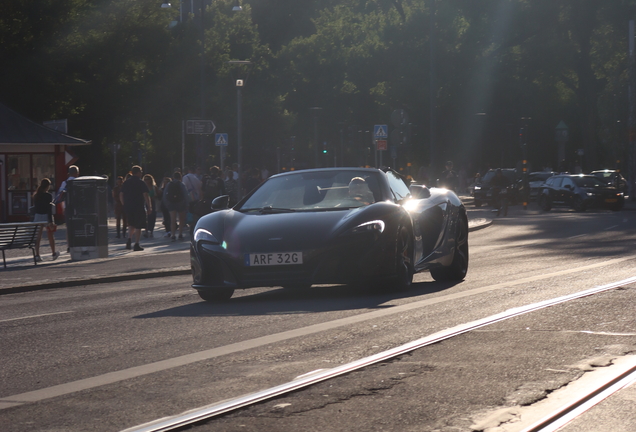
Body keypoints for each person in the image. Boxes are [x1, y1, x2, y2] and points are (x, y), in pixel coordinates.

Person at [120, 165, 152, 251]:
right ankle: (136, 244)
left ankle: (129, 239)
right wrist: (149, 206)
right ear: (138, 173)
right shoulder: (141, 182)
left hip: (129, 207)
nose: (141, 173)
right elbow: (146, 195)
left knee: (131, 224)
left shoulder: (126, 182)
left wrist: (124, 204)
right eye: (141, 172)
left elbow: (121, 194)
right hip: (139, 206)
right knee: (138, 225)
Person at [32, 178, 60, 262]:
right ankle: (53, 253)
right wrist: (51, 221)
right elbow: (49, 209)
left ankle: (37, 255)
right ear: (47, 186)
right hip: (46, 216)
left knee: (38, 237)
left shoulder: (36, 195)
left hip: (37, 216)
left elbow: (35, 208)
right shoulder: (48, 196)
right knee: (50, 236)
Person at [55, 165, 79, 253]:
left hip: (68, 207)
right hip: (78, 207)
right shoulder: (79, 182)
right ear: (76, 173)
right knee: (77, 226)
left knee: (69, 227)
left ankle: (69, 245)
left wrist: (63, 207)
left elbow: (60, 197)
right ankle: (77, 243)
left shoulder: (64, 183)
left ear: (69, 173)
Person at [163, 171, 188, 241]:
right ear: (180, 177)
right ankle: (180, 234)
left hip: (171, 203)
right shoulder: (181, 184)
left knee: (173, 220)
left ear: (173, 177)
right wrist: (187, 204)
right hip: (180, 203)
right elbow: (186, 195)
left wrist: (167, 203)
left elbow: (165, 194)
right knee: (181, 219)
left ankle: (173, 235)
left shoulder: (169, 184)